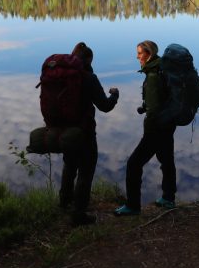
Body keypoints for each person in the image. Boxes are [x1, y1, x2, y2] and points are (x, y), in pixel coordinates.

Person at [114, 40, 177, 216]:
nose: (137, 56)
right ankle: (168, 198)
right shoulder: (162, 69)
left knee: (134, 164)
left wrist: (149, 130)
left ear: (149, 54)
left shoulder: (154, 76)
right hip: (169, 124)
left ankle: (133, 206)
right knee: (167, 161)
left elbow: (155, 108)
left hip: (156, 128)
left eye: (140, 53)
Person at [60, 42, 119, 225]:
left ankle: (64, 203)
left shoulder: (62, 76)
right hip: (84, 132)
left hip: (65, 131)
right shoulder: (89, 78)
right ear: (87, 60)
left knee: (69, 166)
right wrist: (115, 95)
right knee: (86, 171)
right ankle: (79, 214)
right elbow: (105, 106)